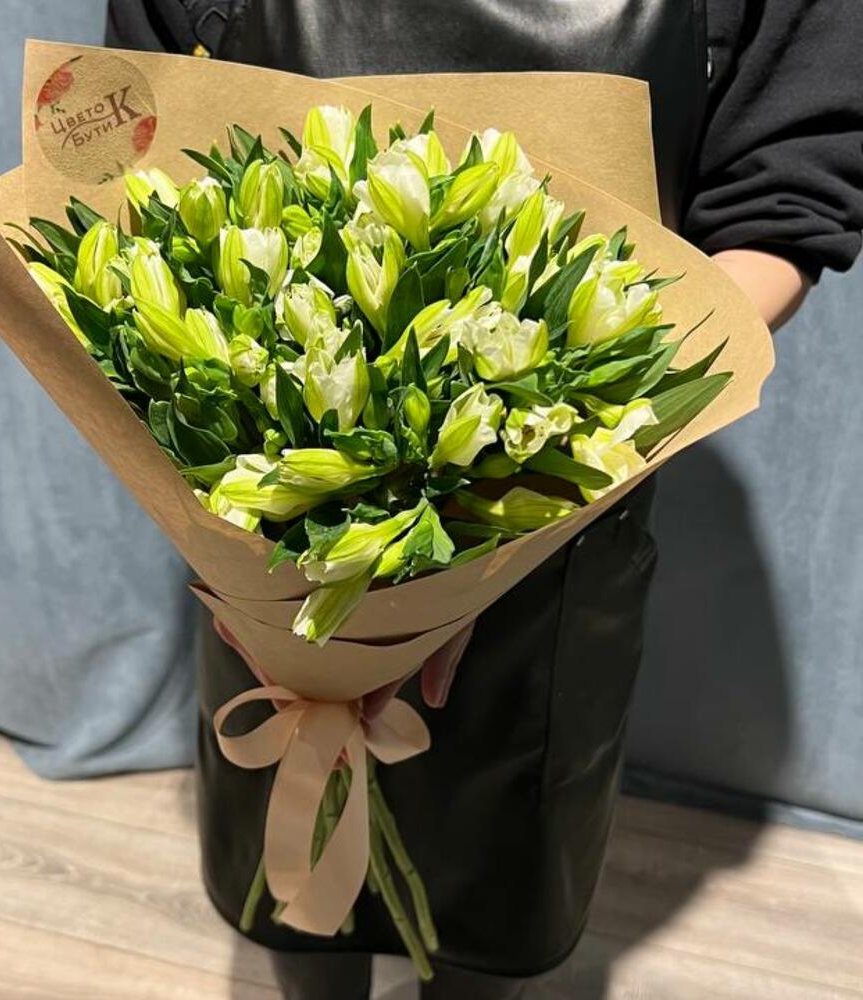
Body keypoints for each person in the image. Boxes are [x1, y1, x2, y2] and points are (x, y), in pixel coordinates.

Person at [107, 3, 863, 998]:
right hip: (272, 519)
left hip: (563, 513)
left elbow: (778, 201)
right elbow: (142, 154)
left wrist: (521, 464)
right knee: (298, 885)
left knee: (489, 903)